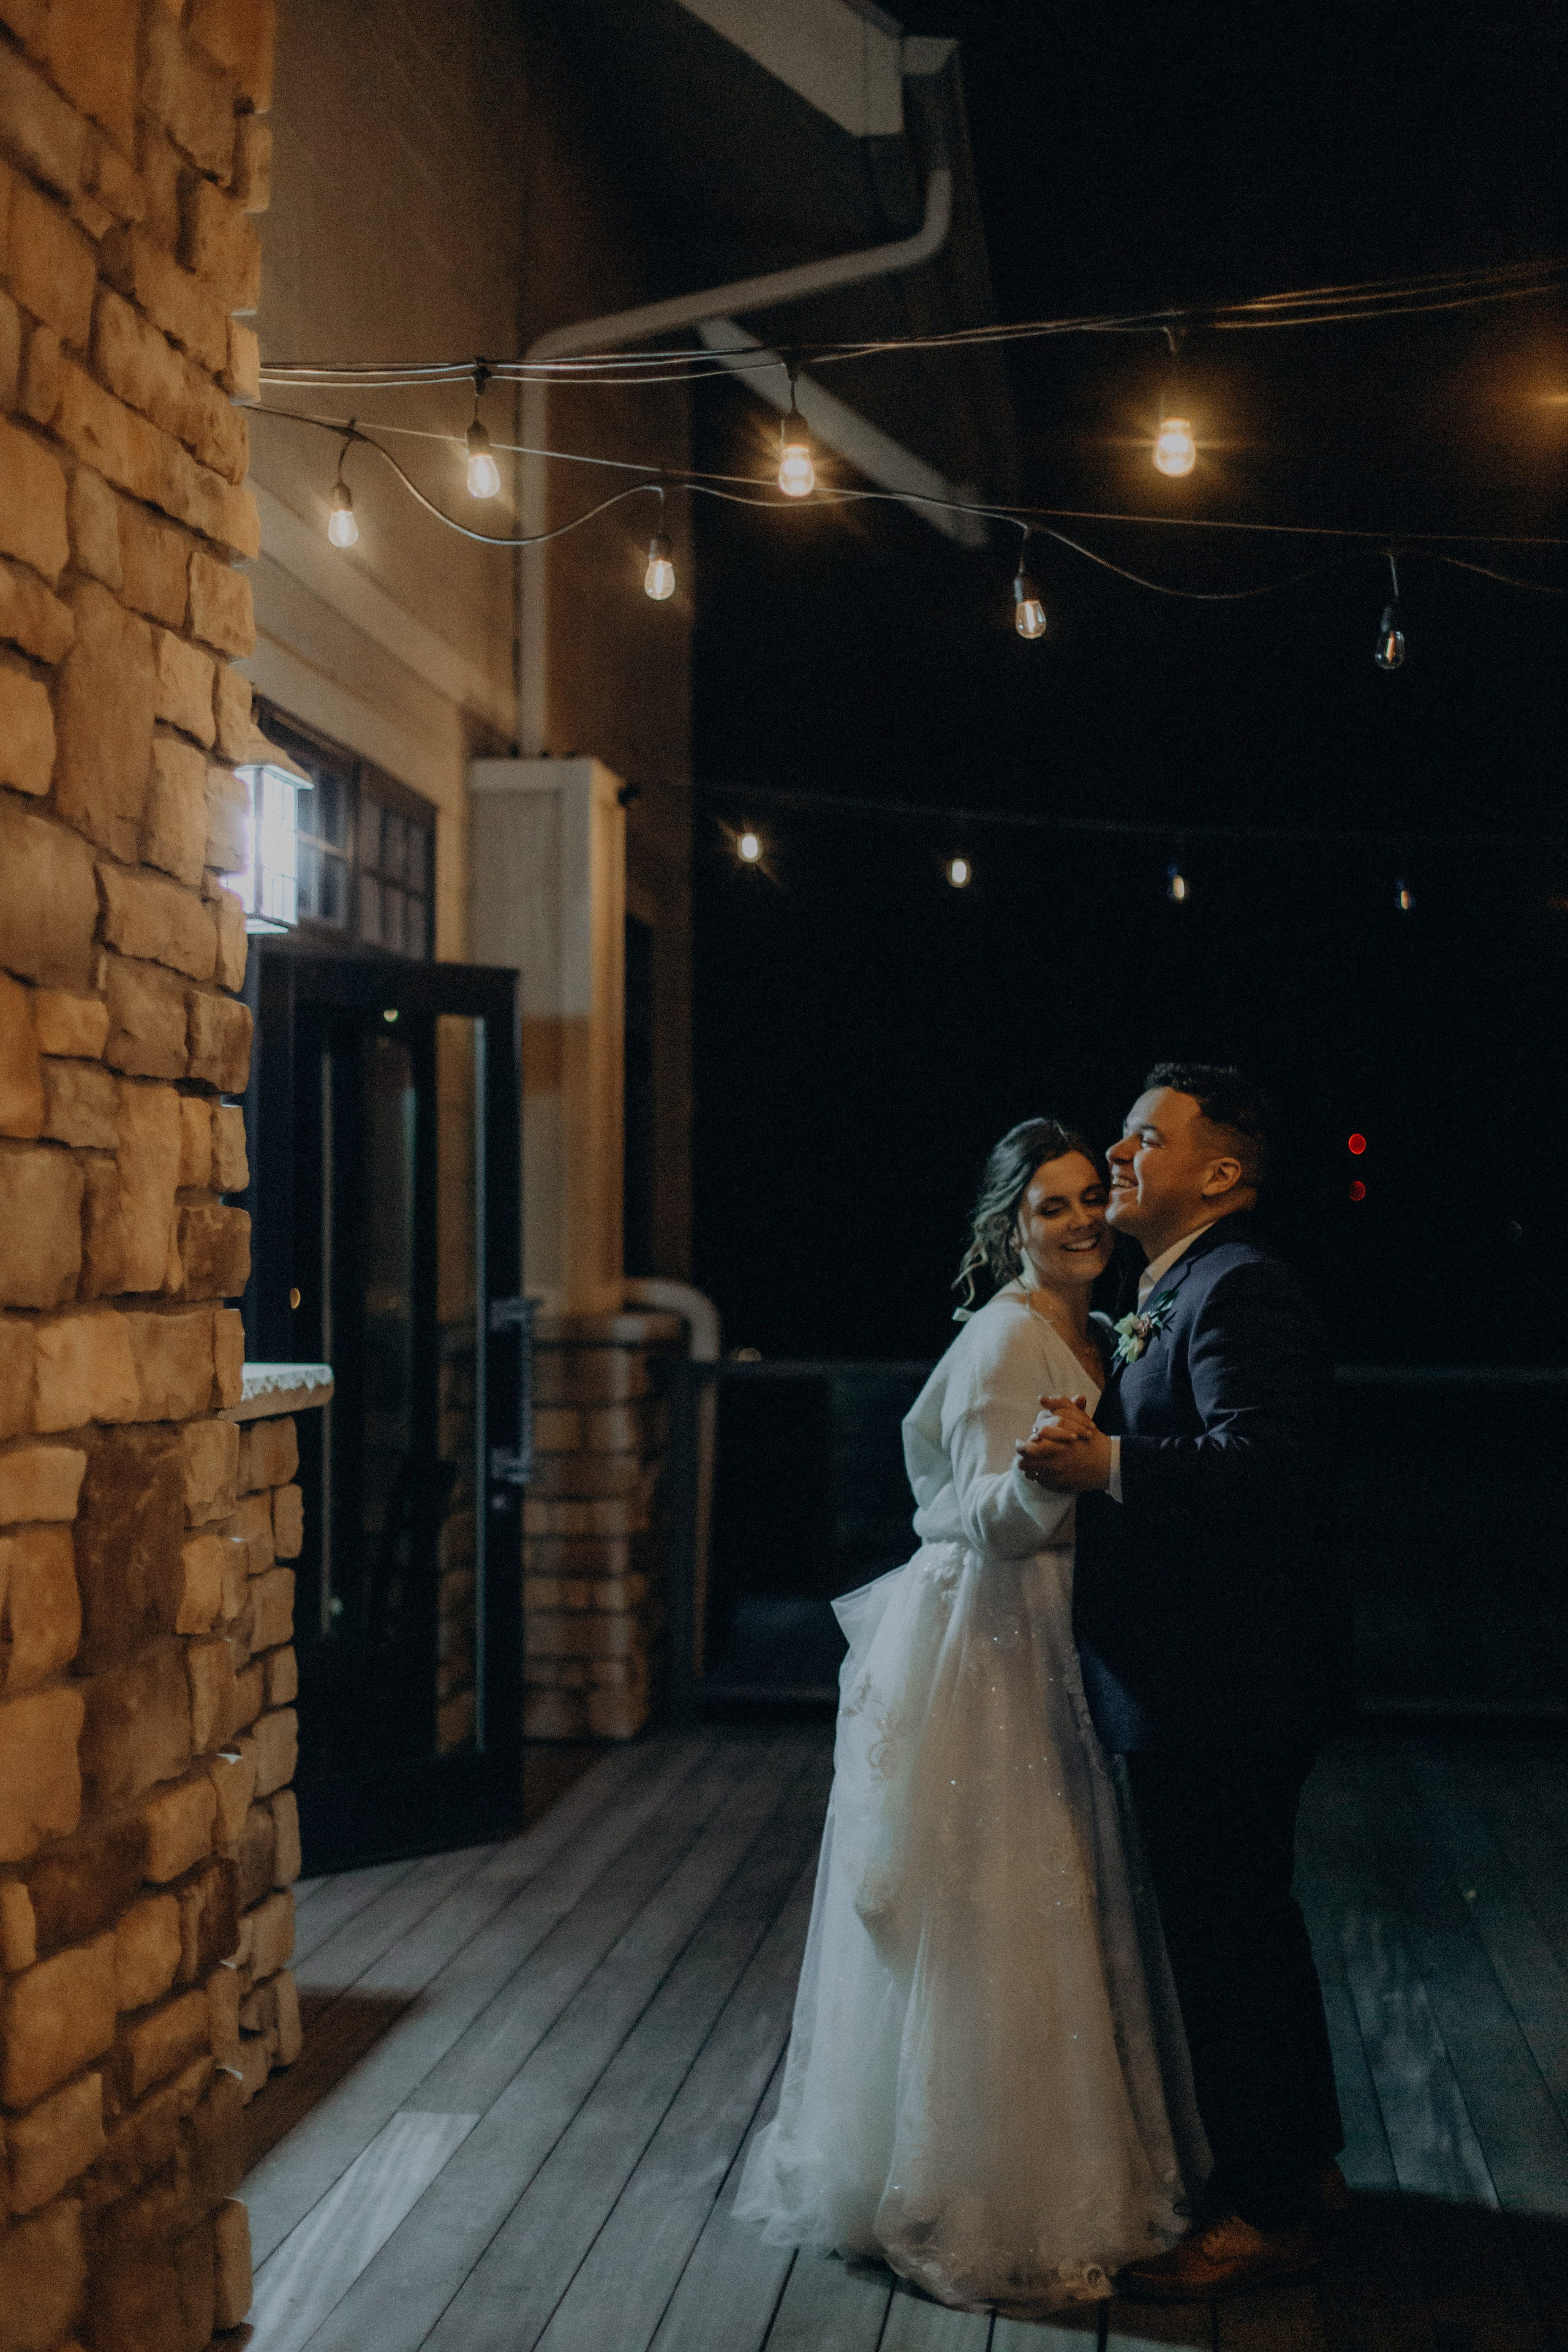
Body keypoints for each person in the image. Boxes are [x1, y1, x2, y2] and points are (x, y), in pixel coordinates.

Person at [734, 1118, 1205, 2316]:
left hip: (1042, 1622)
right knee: (1001, 1895)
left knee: (1047, 1887)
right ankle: (986, 2192)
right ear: (1009, 1229)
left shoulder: (1079, 1326)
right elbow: (981, 1515)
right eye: (1050, 1208)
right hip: (997, 1631)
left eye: (1088, 1196)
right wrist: (1056, 1472)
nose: (1080, 1219)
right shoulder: (1006, 1341)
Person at [1018, 1065, 1352, 2301]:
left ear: (1219, 1173)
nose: (1118, 1149)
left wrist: (1108, 1463)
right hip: (1204, 1680)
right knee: (1248, 1930)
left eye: (1146, 1137)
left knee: (1225, 1943)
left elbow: (1266, 1470)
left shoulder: (1241, 1285)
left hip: (1224, 1683)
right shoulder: (1169, 1287)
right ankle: (1299, 2163)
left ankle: (1263, 2212)